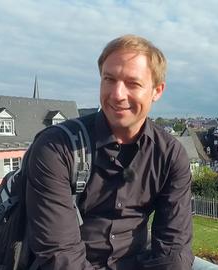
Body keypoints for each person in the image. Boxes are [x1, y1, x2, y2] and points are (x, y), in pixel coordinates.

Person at [26, 35, 193, 269]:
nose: (117, 94)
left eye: (132, 83)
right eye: (109, 79)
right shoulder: (57, 148)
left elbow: (173, 248)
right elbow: (59, 254)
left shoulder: (169, 155)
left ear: (157, 90)